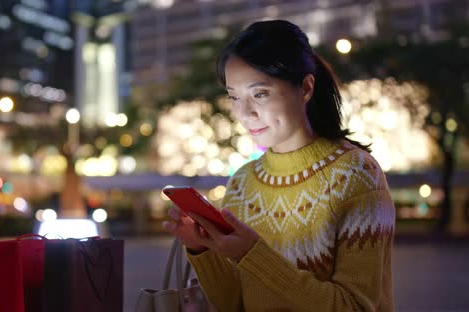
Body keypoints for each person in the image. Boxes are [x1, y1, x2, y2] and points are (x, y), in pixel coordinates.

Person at [163, 20, 395, 311]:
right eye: (234, 96)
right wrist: (202, 248)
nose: (245, 113)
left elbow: (355, 307)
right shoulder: (243, 184)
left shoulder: (356, 175)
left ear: (306, 88)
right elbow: (232, 303)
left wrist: (252, 254)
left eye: (259, 94)